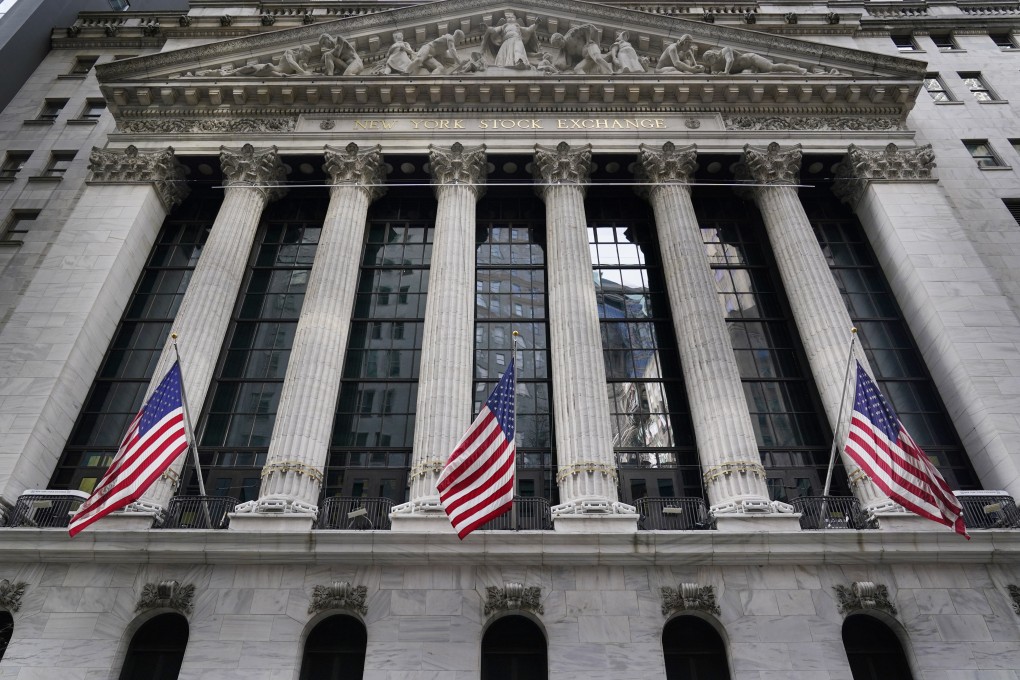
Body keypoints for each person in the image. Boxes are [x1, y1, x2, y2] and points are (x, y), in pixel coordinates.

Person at [701, 46, 807, 74]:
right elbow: (714, 74)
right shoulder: (715, 66)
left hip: (752, 59)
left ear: (713, 55)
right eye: (709, 63)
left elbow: (730, 60)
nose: (711, 63)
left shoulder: (725, 50)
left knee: (772, 67)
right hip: (747, 70)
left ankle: (798, 70)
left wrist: (725, 72)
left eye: (710, 60)